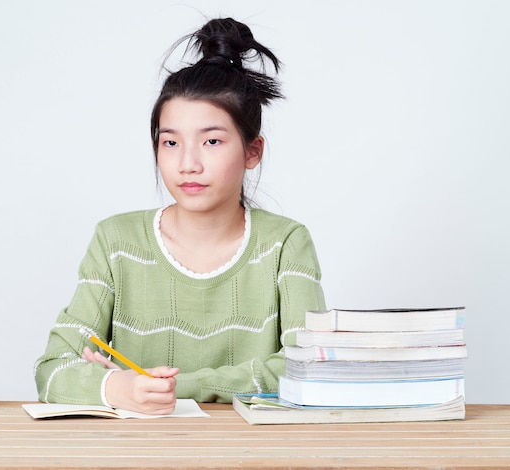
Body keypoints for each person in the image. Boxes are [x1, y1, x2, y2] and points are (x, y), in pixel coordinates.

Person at [34, 17, 326, 415]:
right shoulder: (116, 241)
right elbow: (51, 371)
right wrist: (114, 388)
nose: (188, 163)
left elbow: (305, 367)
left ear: (252, 151)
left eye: (211, 141)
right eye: (170, 141)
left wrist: (174, 386)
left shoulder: (286, 244)